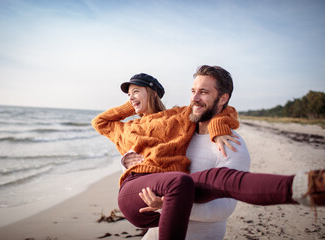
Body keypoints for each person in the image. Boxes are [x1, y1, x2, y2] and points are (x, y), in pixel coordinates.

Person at [92, 65, 325, 240]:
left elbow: (225, 208)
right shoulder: (183, 127)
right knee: (180, 181)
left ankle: (305, 187)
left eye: (203, 92)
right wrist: (126, 159)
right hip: (147, 202)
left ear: (222, 98)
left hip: (190, 224)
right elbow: (131, 148)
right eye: (193, 90)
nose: (194, 98)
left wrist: (169, 204)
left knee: (217, 179)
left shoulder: (226, 142)